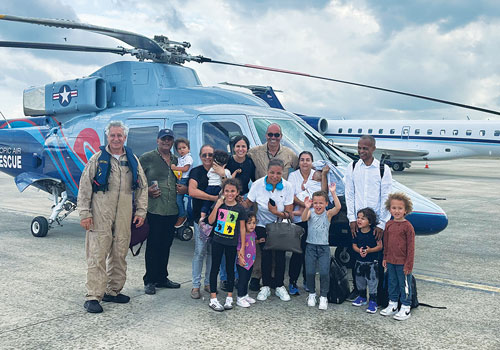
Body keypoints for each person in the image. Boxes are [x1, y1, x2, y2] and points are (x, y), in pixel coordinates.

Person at [78, 121, 147, 313]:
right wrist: (85, 213)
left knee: (120, 253)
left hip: (124, 214)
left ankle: (113, 290)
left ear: (125, 138)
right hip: (100, 214)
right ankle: (93, 295)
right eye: (112, 135)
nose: (116, 139)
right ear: (107, 137)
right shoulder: (97, 159)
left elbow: (142, 186)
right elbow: (84, 187)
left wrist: (141, 211)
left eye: (120, 135)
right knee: (97, 254)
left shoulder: (132, 160)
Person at [247, 123, 298, 291]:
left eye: (277, 135)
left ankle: (277, 282)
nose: (273, 138)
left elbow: (303, 167)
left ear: (281, 136)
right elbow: (239, 159)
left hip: (280, 211)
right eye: (270, 135)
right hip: (260, 206)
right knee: (262, 248)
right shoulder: (255, 152)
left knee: (279, 251)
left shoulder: (290, 154)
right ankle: (259, 277)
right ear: (266, 136)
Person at [344, 135, 392, 301]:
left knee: (374, 260)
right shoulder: (352, 167)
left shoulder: (383, 169)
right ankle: (358, 290)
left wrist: (382, 224)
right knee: (357, 257)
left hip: (375, 223)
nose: (361, 151)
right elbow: (349, 194)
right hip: (358, 221)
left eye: (365, 148)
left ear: (373, 148)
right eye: (359, 148)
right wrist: (351, 218)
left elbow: (386, 196)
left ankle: (376, 294)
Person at [244, 158, 294, 302]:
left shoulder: (287, 186)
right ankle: (265, 285)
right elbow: (248, 203)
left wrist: (276, 212)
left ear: (282, 173)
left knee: (280, 255)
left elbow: (289, 213)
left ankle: (279, 286)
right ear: (267, 171)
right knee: (265, 254)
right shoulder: (257, 184)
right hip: (262, 224)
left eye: (278, 173)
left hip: (279, 224)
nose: (275, 176)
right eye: (272, 172)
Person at [139, 129, 182, 295]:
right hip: (155, 210)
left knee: (166, 245)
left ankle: (162, 278)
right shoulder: (148, 157)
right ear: (157, 141)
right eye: (163, 139)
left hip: (171, 210)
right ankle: (149, 280)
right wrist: (146, 191)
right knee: (153, 246)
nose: (166, 142)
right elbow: (136, 179)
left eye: (169, 139)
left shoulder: (175, 159)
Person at [287, 151, 328, 295]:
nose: (305, 162)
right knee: (297, 251)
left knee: (310, 253)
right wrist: (306, 205)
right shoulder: (293, 176)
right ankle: (292, 281)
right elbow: (290, 196)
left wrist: (311, 205)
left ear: (312, 162)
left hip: (314, 220)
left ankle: (307, 281)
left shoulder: (316, 175)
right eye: (302, 160)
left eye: (308, 160)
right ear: (299, 162)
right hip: (299, 220)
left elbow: (324, 193)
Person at [219, 135, 256, 291]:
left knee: (239, 241)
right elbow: (219, 175)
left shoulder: (249, 163)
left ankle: (235, 275)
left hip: (244, 203)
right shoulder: (228, 161)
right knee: (225, 239)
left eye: (244, 146)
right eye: (238, 146)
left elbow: (254, 182)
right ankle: (224, 278)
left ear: (247, 148)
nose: (241, 149)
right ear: (233, 147)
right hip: (228, 202)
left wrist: (247, 200)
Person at [207, 178, 247, 312]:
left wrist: (241, 247)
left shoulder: (240, 208)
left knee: (230, 269)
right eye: (227, 191)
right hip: (218, 241)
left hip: (231, 243)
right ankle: (213, 298)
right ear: (223, 192)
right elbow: (211, 220)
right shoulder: (220, 205)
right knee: (215, 268)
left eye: (233, 191)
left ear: (237, 192)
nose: (230, 194)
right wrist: (217, 205)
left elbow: (242, 229)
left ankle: (229, 297)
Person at [189, 145, 223, 299]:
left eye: (211, 154)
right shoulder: (196, 171)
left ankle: (209, 283)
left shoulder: (221, 170)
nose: (208, 158)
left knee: (212, 253)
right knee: (199, 252)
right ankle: (195, 286)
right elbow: (192, 191)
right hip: (201, 220)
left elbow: (230, 186)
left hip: (218, 220)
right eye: (204, 155)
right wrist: (213, 198)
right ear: (200, 156)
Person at [301, 185, 341, 310]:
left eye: (321, 203)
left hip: (324, 248)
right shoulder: (311, 213)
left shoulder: (328, 214)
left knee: (324, 272)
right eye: (316, 203)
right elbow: (303, 218)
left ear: (326, 204)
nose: (318, 206)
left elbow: (338, 207)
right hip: (311, 246)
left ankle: (324, 296)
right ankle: (312, 294)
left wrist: (333, 193)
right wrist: (307, 207)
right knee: (310, 271)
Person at [381, 192, 415, 321]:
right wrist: (385, 257)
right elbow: (386, 243)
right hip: (390, 261)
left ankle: (406, 306)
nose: (396, 211)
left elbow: (411, 248)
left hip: (403, 262)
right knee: (392, 283)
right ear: (389, 209)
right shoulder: (389, 224)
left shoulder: (408, 227)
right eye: (394, 208)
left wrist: (409, 264)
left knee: (404, 284)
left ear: (406, 210)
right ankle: (393, 304)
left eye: (400, 208)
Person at [351, 208, 382, 313]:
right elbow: (354, 245)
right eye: (358, 218)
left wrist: (370, 251)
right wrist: (358, 250)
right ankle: (362, 297)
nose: (359, 220)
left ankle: (373, 301)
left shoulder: (374, 233)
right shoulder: (357, 232)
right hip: (359, 262)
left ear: (370, 221)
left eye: (363, 218)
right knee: (360, 281)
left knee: (372, 282)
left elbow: (380, 246)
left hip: (372, 263)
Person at [199, 149, 232, 222]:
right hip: (218, 188)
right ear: (225, 164)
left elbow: (208, 175)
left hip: (209, 188)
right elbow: (230, 181)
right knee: (220, 203)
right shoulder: (226, 171)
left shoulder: (211, 170)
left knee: (206, 203)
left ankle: (202, 217)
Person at [170, 137, 193, 228]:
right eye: (179, 149)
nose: (182, 150)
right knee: (177, 199)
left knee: (179, 199)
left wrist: (175, 168)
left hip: (184, 179)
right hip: (179, 178)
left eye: (184, 148)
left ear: (188, 148)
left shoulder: (188, 158)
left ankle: (182, 216)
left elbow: (185, 169)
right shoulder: (181, 158)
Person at [236, 213, 258, 308]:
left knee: (247, 279)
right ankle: (240, 297)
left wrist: (258, 241)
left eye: (254, 223)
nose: (252, 225)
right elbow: (238, 247)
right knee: (242, 279)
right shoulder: (242, 235)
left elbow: (252, 242)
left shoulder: (253, 233)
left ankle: (245, 294)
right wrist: (240, 258)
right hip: (243, 261)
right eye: (249, 223)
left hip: (251, 261)